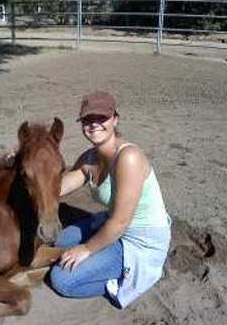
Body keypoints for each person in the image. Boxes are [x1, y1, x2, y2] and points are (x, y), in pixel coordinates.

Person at [49, 91, 171, 308]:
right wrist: (25, 164)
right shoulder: (89, 158)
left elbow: (120, 223)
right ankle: (99, 257)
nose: (94, 124)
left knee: (62, 280)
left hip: (139, 238)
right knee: (60, 242)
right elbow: (58, 188)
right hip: (111, 221)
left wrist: (86, 249)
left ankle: (131, 277)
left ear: (115, 119)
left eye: (101, 117)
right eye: (88, 119)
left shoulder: (128, 157)